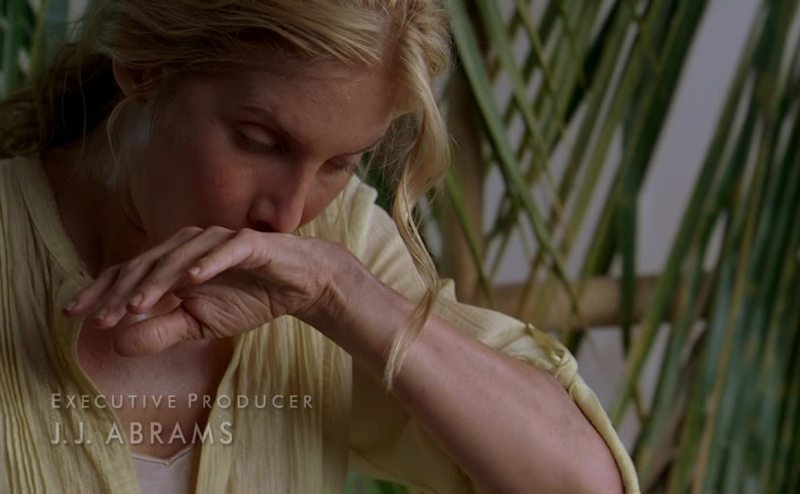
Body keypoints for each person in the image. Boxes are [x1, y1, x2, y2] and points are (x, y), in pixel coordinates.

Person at [0, 1, 640, 492]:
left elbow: (584, 484)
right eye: (259, 141)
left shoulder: (336, 246)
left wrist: (339, 293)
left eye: (340, 164)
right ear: (144, 66)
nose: (287, 215)